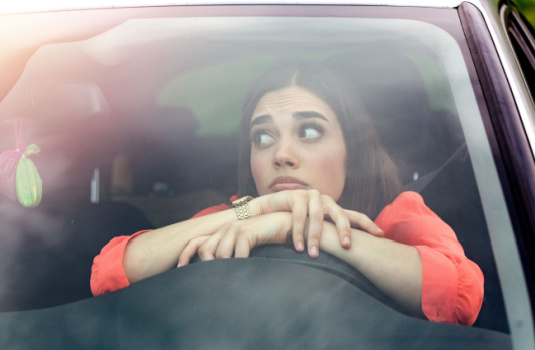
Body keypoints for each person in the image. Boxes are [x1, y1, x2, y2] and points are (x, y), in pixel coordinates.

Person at [90, 61, 484, 326]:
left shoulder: (397, 218)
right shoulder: (231, 217)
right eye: (262, 137)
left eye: (309, 131)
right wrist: (259, 210)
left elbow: (458, 295)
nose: (281, 155)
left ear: (353, 150)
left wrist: (293, 228)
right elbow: (110, 274)